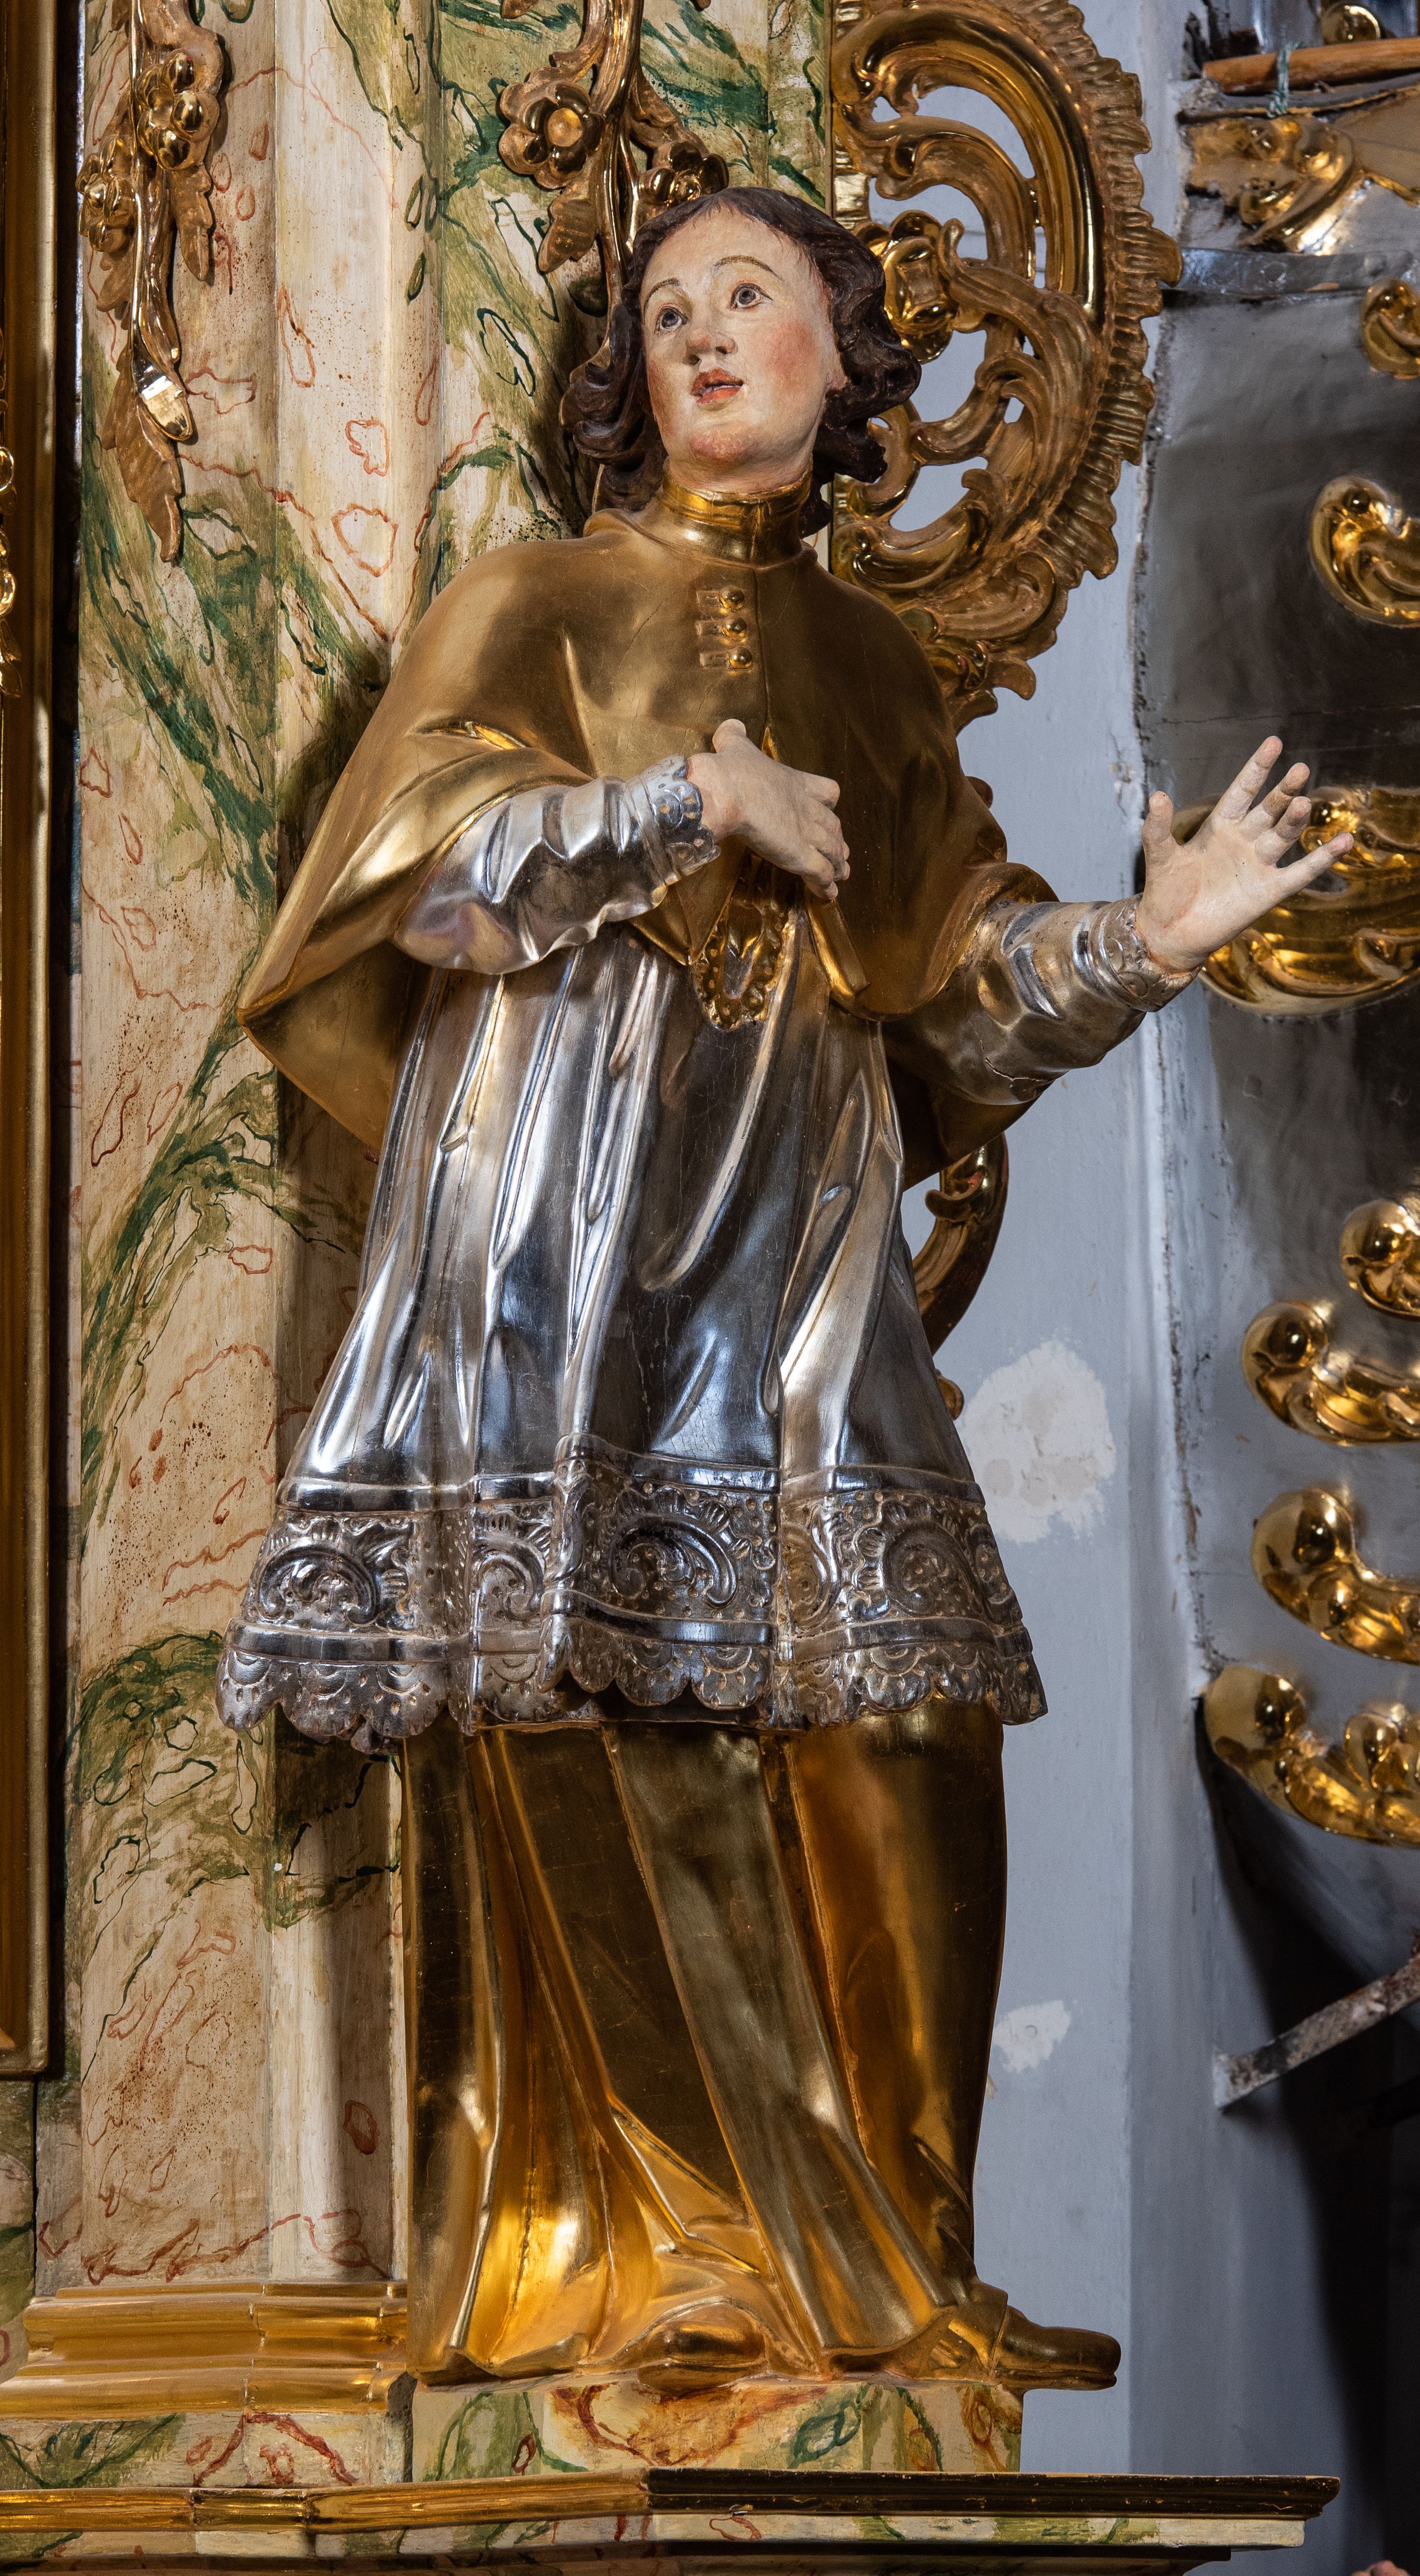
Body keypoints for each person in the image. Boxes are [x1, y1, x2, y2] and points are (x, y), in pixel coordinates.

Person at [216, 187, 1351, 2395]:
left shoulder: (874, 666)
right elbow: (395, 887)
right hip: (563, 1227)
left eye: (748, 297)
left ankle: (899, 2266)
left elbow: (954, 993)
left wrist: (1148, 939)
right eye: (664, 311)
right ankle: (692, 2260)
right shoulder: (534, 600)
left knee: (907, 1717)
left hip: (799, 1236)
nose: (702, 335)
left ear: (844, 353)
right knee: (620, 1701)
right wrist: (670, 802)